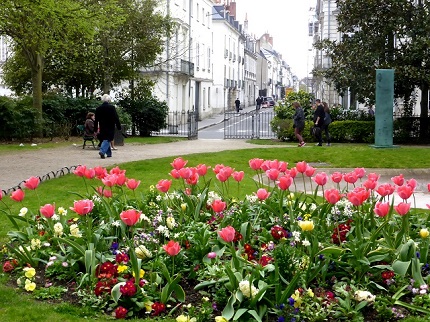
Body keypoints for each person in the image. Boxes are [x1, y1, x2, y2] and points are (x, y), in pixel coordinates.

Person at [94, 94, 121, 159]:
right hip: (110, 125)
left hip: (102, 126)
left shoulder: (98, 108)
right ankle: (102, 151)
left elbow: (96, 119)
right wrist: (118, 126)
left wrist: (95, 129)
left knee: (105, 138)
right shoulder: (112, 107)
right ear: (109, 100)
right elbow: (116, 117)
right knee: (108, 139)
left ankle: (109, 154)